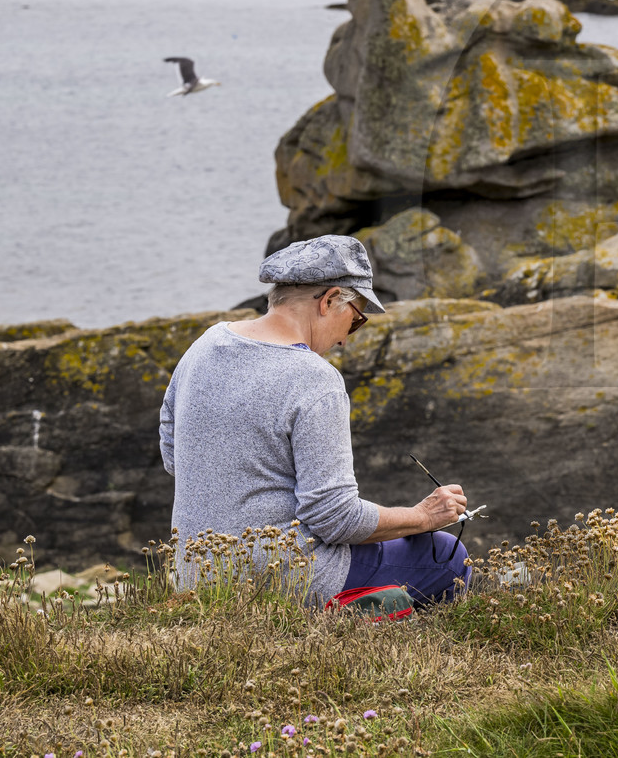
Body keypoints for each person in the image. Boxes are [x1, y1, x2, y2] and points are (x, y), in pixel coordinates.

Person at [159, 234, 472, 606]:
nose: (344, 340)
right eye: (355, 321)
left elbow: (172, 454)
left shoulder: (206, 344)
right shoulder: (314, 378)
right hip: (278, 580)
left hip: (195, 575)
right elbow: (334, 518)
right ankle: (351, 615)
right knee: (446, 554)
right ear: (328, 302)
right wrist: (423, 516)